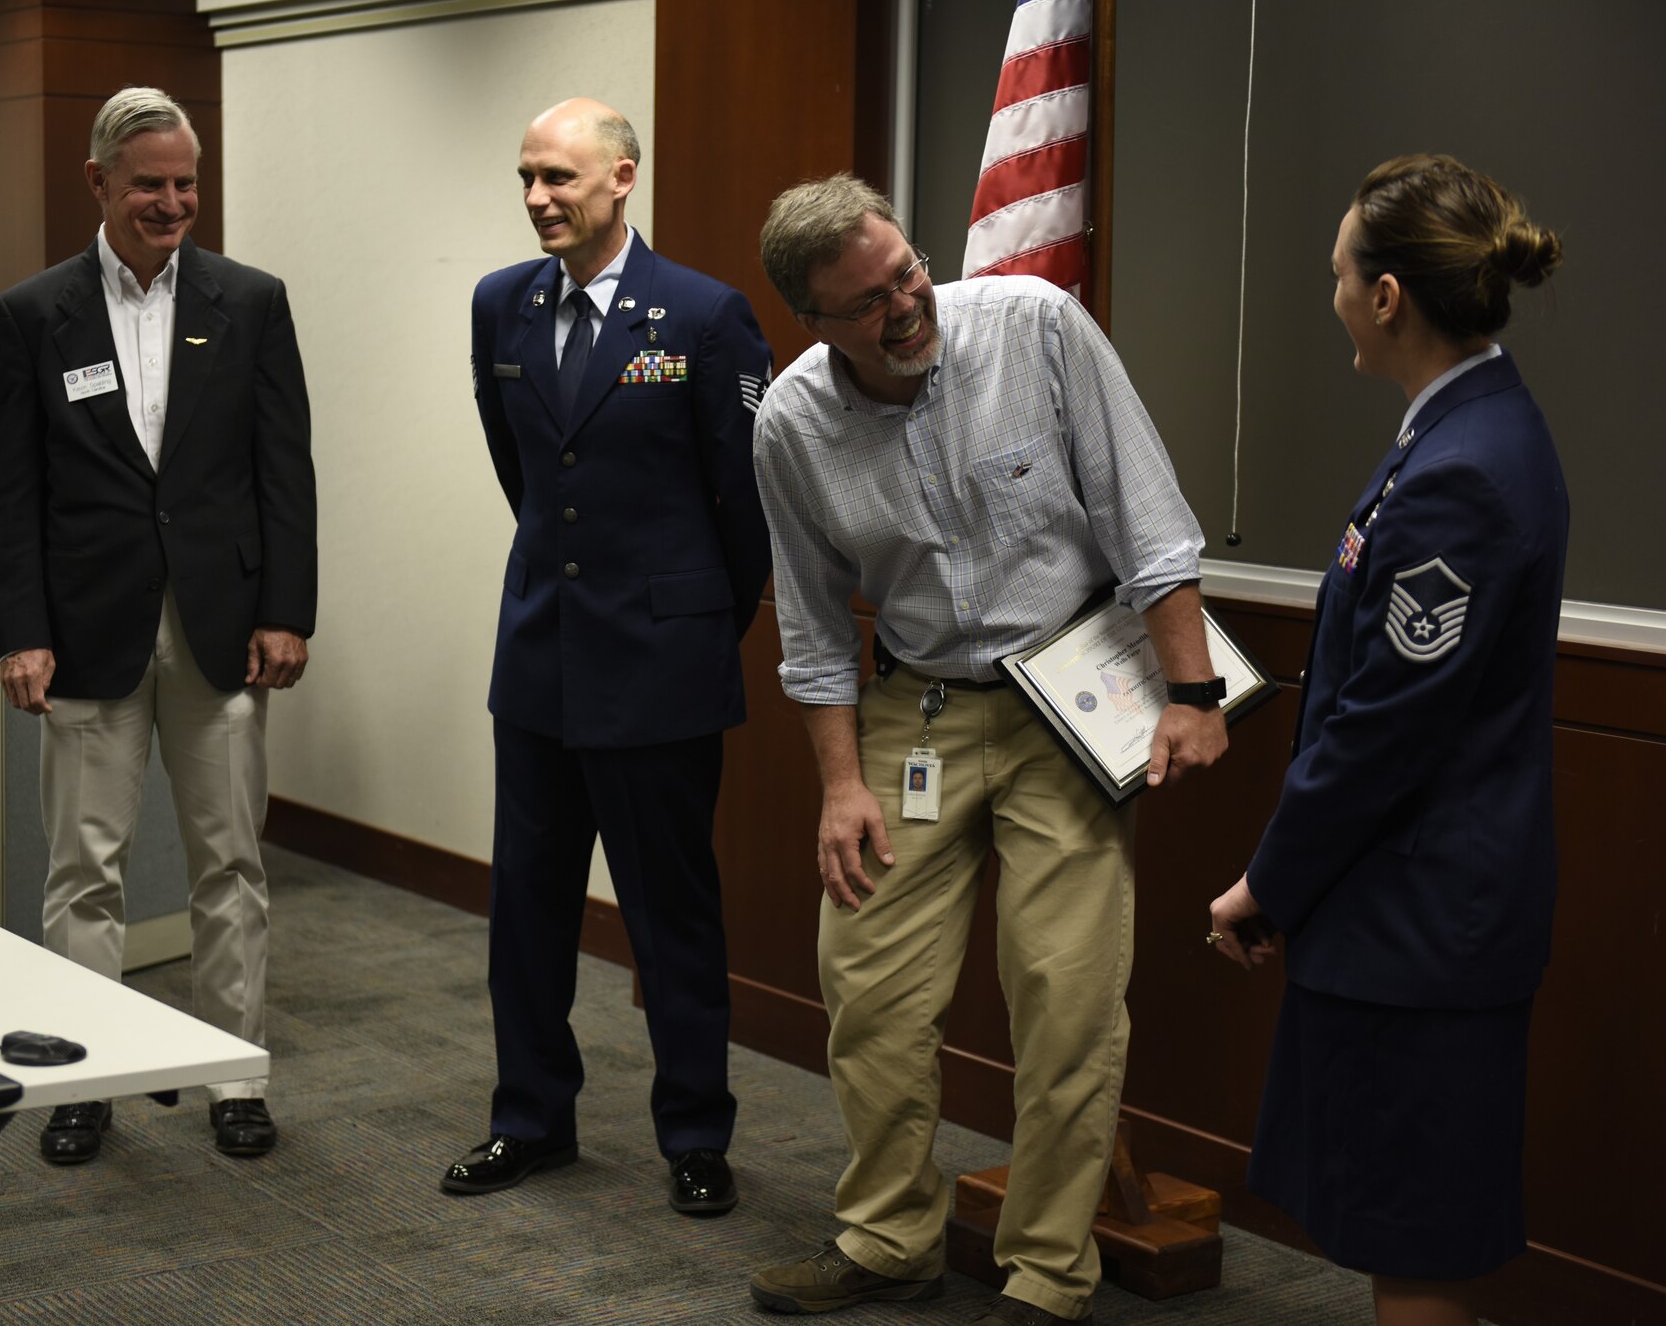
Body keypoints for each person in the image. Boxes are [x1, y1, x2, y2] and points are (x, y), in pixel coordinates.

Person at [746, 175, 1226, 1325]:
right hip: (913, 716)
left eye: (905, 272)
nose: (905, 307)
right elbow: (810, 628)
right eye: (866, 303)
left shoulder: (1033, 327)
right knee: (866, 988)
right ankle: (886, 1238)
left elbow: (1143, 516)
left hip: (1065, 701)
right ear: (811, 322)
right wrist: (838, 788)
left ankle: (1046, 1275)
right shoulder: (791, 428)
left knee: (1064, 996)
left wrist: (1193, 689)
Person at [1208, 155, 1567, 1326]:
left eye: (1333, 273)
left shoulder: (1460, 468)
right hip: (1415, 913)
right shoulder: (1462, 432)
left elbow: (1380, 730)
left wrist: (1268, 880)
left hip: (1418, 924)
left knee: (1410, 1231)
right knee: (1394, 1214)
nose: (1328, 294)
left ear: (1384, 296)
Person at [444, 98, 771, 1216]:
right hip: (540, 658)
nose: (539, 197)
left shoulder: (703, 314)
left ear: (621, 178)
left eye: (560, 178)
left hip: (661, 664)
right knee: (525, 909)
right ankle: (528, 1119)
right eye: (527, 176)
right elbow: (523, 476)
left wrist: (691, 627)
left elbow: (744, 504)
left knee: (668, 915)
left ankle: (693, 1133)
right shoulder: (500, 304)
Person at [0, 86, 316, 1164]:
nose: (171, 203)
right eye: (149, 186)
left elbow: (284, 472)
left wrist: (285, 610)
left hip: (221, 629)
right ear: (98, 185)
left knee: (230, 863)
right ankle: (87, 1079)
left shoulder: (251, 300)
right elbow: (17, 492)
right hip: (84, 632)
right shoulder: (34, 314)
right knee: (83, 867)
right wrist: (18, 630)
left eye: (185, 184)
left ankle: (231, 1073)